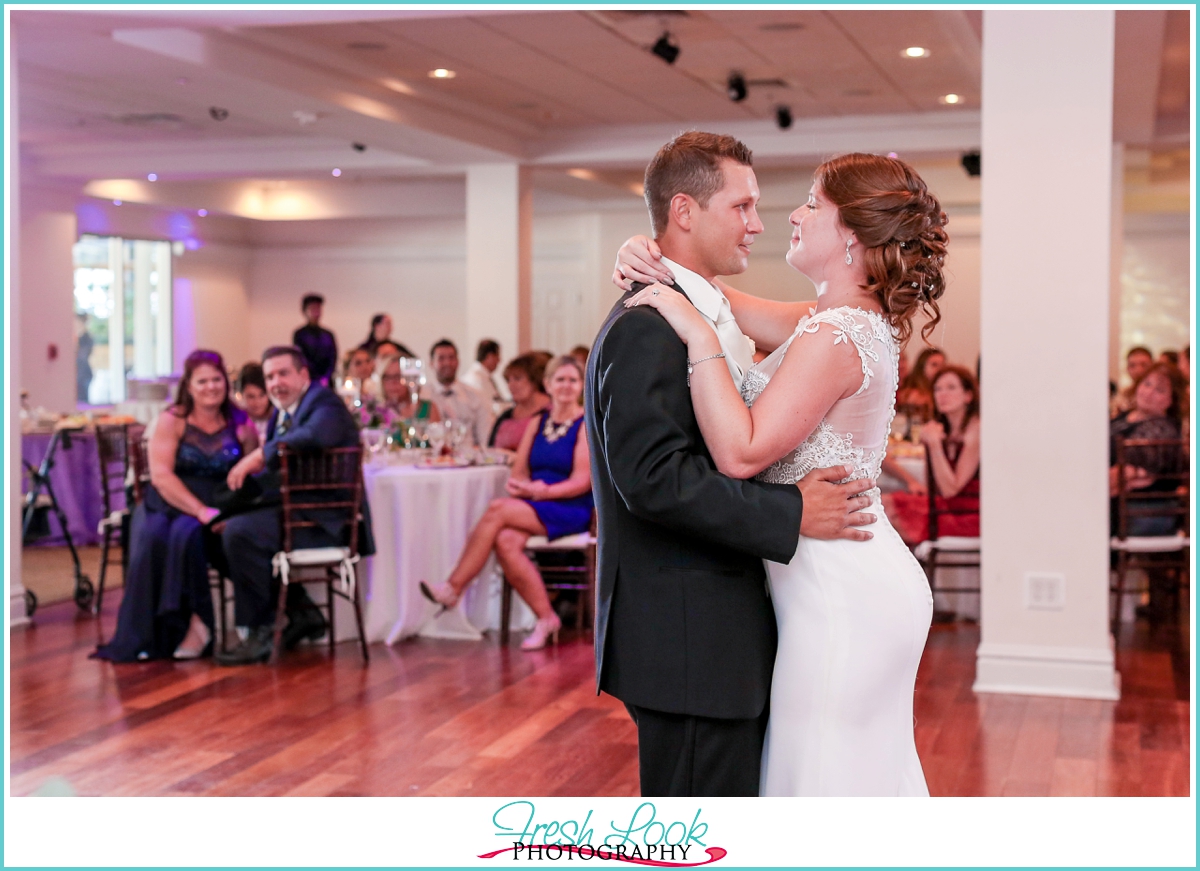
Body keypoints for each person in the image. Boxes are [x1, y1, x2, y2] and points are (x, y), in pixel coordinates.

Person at [615, 143, 947, 796]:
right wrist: (648, 253)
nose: (789, 215)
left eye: (811, 203)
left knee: (821, 780)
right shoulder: (833, 321)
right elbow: (719, 297)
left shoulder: (836, 334)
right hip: (843, 579)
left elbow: (741, 451)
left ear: (849, 234)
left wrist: (700, 339)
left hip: (842, 593)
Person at [93, 350, 256, 662]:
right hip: (169, 501)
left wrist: (225, 512)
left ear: (226, 381)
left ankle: (197, 625)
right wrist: (199, 510)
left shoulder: (241, 422)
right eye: (202, 381)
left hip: (218, 503)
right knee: (154, 537)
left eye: (216, 379)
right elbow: (161, 476)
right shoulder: (173, 419)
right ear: (189, 386)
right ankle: (145, 635)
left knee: (190, 536)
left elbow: (251, 474)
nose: (211, 386)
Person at [421, 356, 593, 649]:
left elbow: (582, 480)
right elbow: (520, 469)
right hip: (536, 502)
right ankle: (546, 617)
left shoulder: (584, 424)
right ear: (548, 385)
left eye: (572, 380)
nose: (566, 386)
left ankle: (453, 588)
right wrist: (521, 485)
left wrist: (544, 492)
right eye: (560, 380)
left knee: (497, 509)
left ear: (580, 386)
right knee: (505, 540)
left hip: (569, 506)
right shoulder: (538, 421)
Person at [215, 346, 366, 665]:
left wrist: (259, 454)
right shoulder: (283, 413)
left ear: (303, 375)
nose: (275, 383)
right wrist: (224, 508)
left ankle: (260, 631)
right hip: (294, 511)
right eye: (270, 376)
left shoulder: (323, 403)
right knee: (215, 531)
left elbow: (313, 436)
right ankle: (302, 614)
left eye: (283, 373)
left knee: (240, 534)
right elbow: (273, 479)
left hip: (324, 521)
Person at [1109, 362, 1187, 620]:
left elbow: (1123, 479)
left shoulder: (1160, 429)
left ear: (1171, 400)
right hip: (1119, 505)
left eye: (1160, 389)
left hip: (1144, 513)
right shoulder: (1124, 417)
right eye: (1147, 383)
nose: (1149, 392)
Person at [884, 366, 981, 545]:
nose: (943, 394)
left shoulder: (975, 429)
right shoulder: (942, 430)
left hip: (967, 515)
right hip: (944, 507)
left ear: (968, 396)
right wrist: (930, 444)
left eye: (951, 388)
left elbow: (951, 490)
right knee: (881, 505)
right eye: (938, 389)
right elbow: (934, 485)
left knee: (886, 511)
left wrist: (935, 445)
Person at [428, 339, 491, 447]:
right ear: (431, 363)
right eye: (441, 358)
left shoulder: (475, 396)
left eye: (451, 358)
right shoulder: (424, 395)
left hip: (469, 457)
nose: (447, 363)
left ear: (458, 361)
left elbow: (485, 437)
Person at [488, 354, 550, 451]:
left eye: (517, 378)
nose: (511, 385)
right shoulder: (506, 415)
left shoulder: (552, 414)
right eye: (508, 380)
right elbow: (490, 449)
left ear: (535, 380)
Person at [376, 354, 440, 424]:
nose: (392, 383)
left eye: (398, 376)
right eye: (387, 377)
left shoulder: (428, 408)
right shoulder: (376, 412)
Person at [292, 294, 338, 386]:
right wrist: (314, 377)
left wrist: (326, 377)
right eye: (312, 309)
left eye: (318, 309)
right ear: (305, 311)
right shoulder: (300, 334)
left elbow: (333, 357)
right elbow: (300, 357)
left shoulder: (328, 334)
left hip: (327, 381)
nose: (316, 312)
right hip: (308, 379)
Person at [895, 346, 945, 426]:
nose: (940, 369)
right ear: (922, 367)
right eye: (934, 365)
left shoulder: (941, 393)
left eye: (942, 365)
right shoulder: (912, 394)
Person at [463, 339, 508, 414]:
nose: (499, 360)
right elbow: (489, 407)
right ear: (489, 356)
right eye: (497, 356)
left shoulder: (483, 376)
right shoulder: (476, 379)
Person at [237, 362, 274, 445]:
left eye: (262, 395)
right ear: (241, 395)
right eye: (251, 396)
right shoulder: (238, 423)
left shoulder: (279, 419)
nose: (257, 402)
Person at [1115, 346, 1155, 416]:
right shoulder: (1124, 393)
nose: (1138, 370)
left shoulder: (1157, 393)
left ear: (1153, 365)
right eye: (1132, 365)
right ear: (1127, 368)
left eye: (1144, 365)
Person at [75, 313, 94, 404]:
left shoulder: (86, 338)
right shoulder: (77, 337)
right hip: (79, 373)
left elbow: (83, 355)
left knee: (82, 400)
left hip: (83, 374)